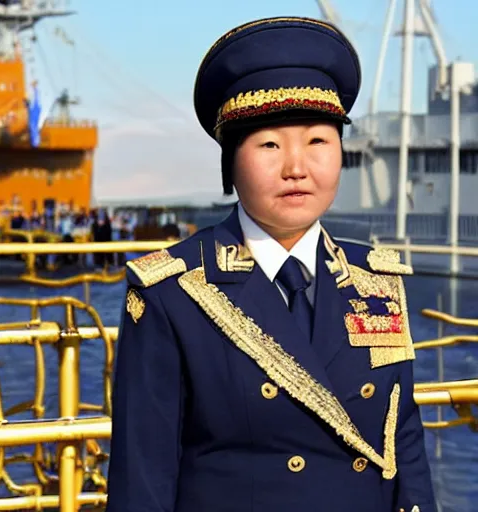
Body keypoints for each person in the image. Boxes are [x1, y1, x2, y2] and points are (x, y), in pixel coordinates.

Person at [106, 17, 435, 512]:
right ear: (230, 160)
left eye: (318, 141)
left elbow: (402, 441)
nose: (296, 167)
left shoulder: (377, 281)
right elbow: (143, 476)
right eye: (269, 145)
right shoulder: (174, 292)